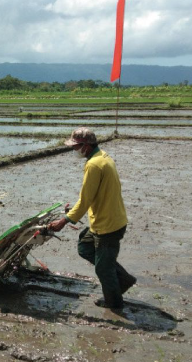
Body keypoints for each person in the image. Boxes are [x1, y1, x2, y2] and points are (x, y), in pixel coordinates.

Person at [48, 127, 136, 309]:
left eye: (75, 146)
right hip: (110, 219)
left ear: (86, 146)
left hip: (107, 226)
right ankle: (123, 278)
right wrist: (74, 210)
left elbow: (86, 199)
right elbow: (95, 195)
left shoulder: (94, 165)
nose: (74, 150)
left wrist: (64, 221)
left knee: (103, 268)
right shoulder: (103, 157)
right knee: (84, 246)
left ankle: (114, 303)